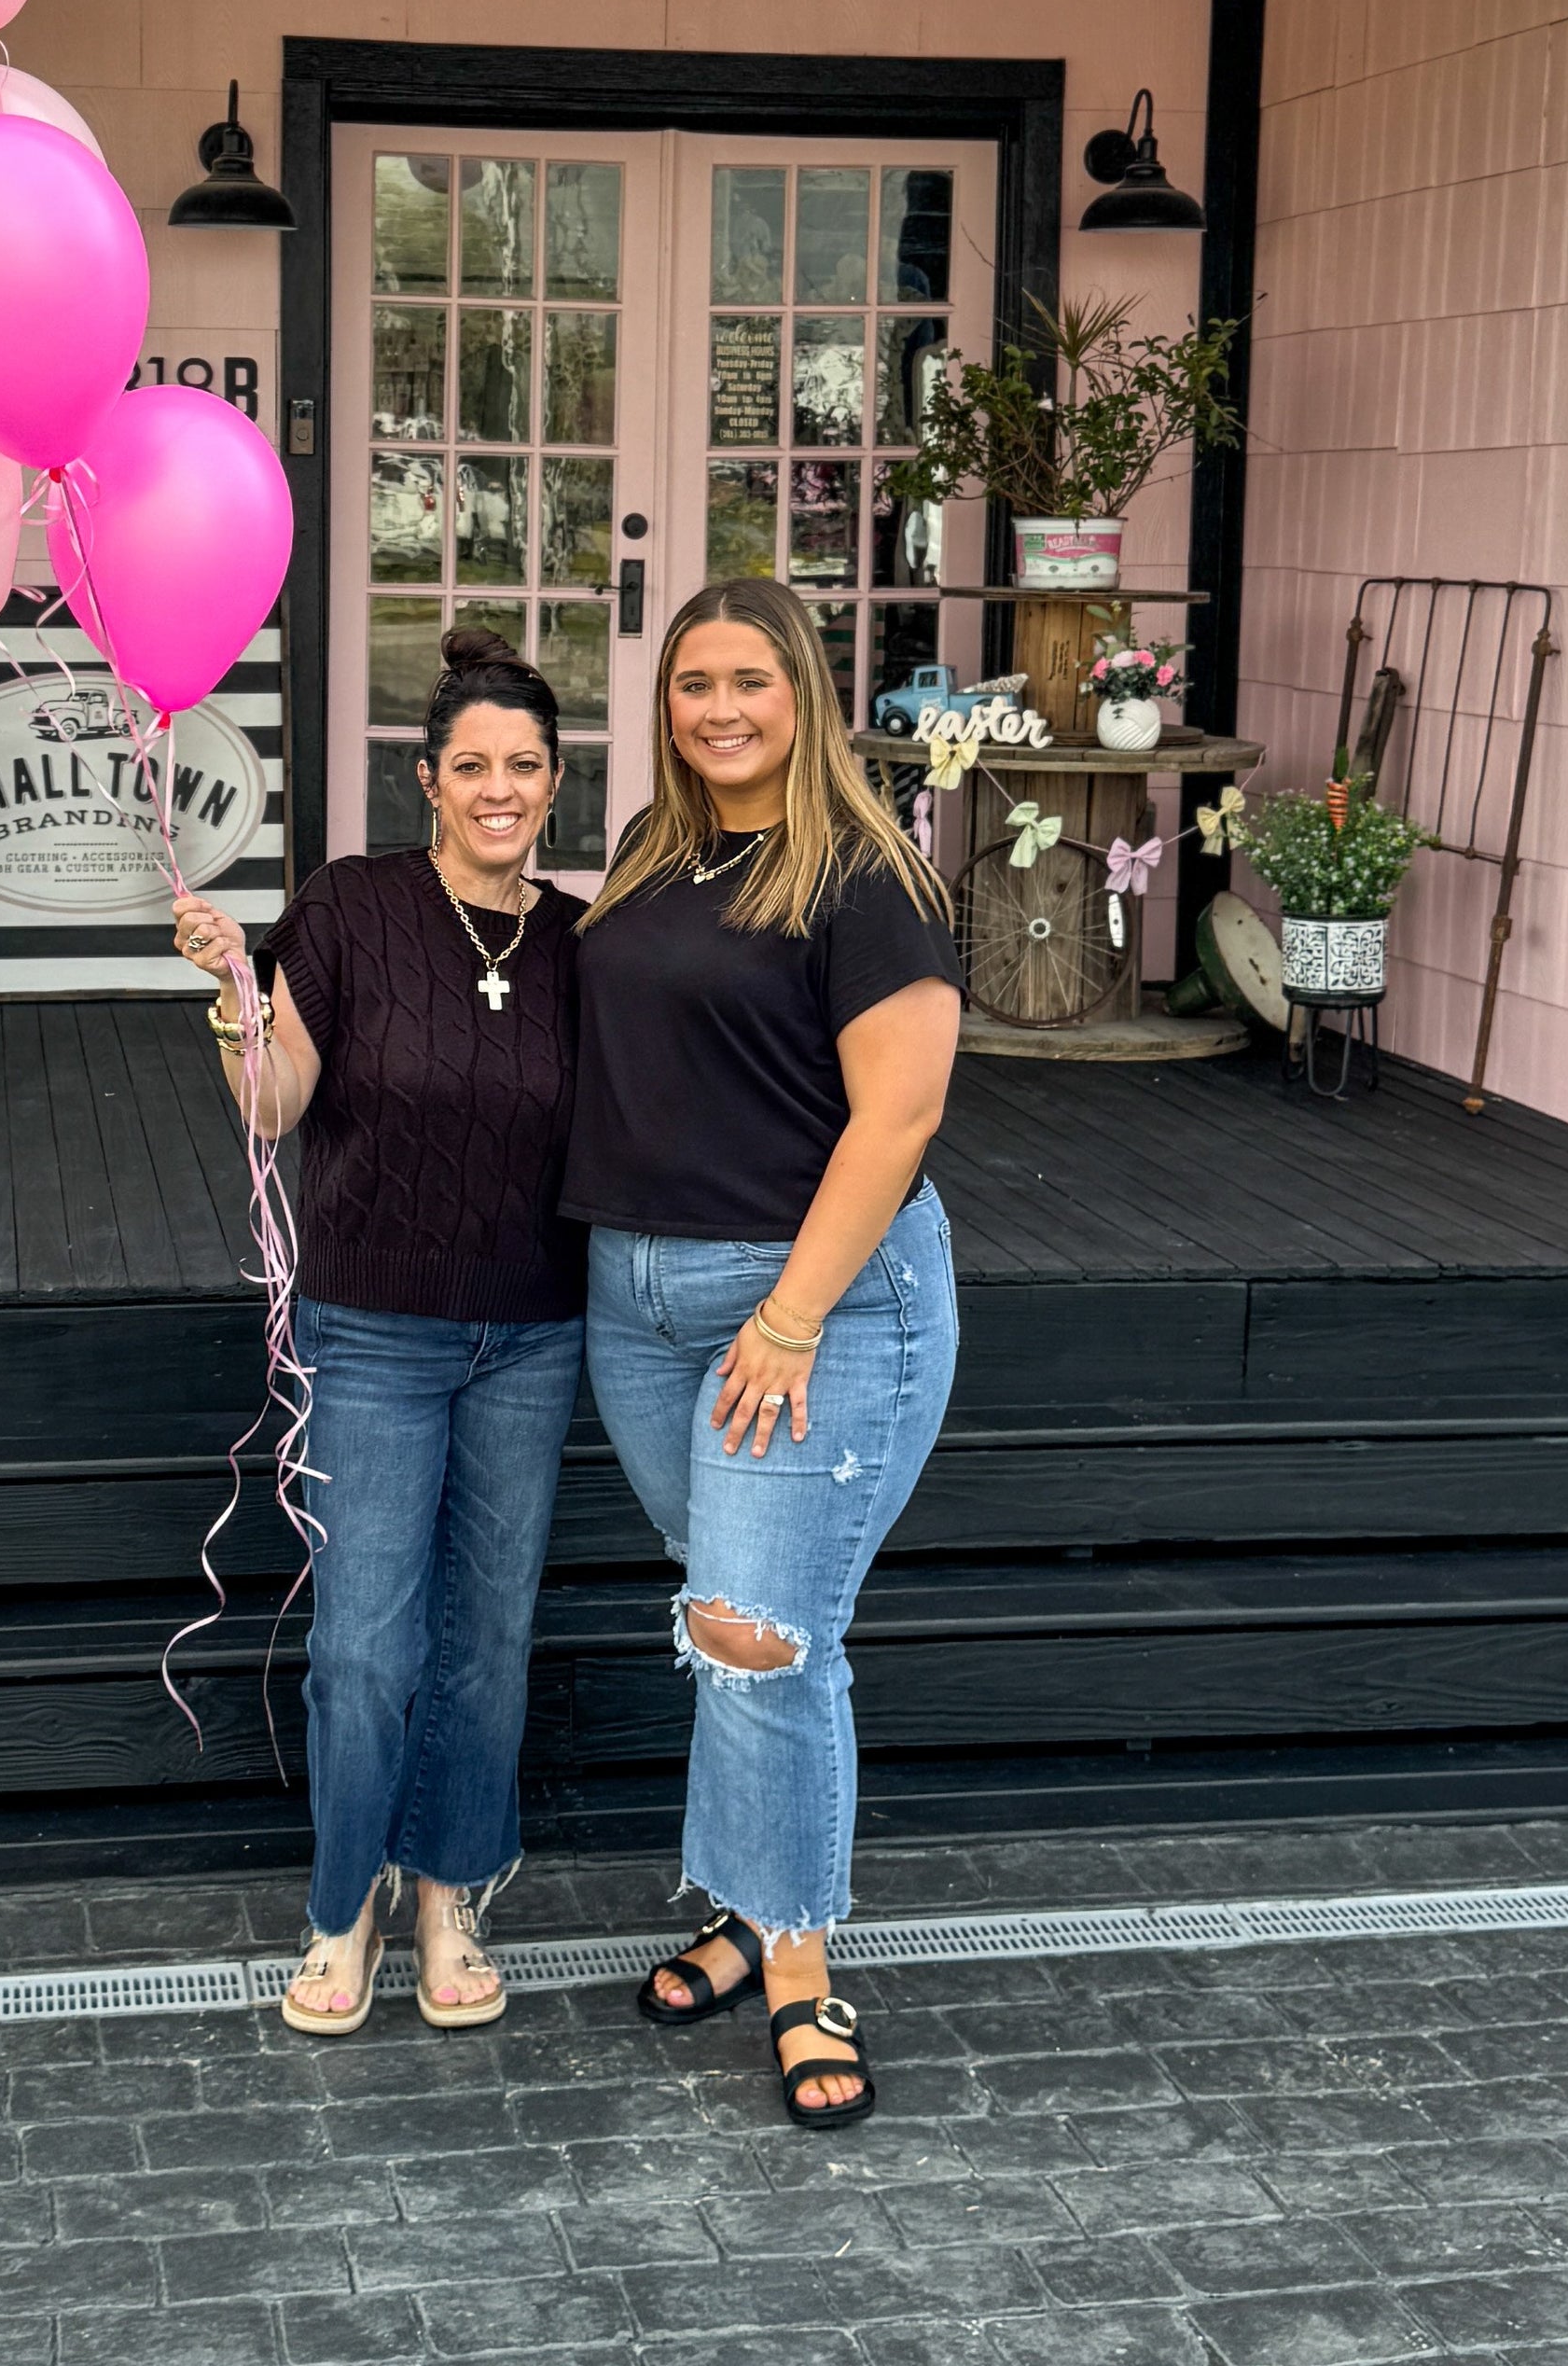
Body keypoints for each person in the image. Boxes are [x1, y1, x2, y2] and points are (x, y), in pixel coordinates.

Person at [563, 573, 964, 2130]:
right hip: (640, 1300)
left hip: (813, 1303)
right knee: (736, 1615)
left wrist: (789, 1316)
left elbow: (902, 1115)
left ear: (804, 692)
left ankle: (799, 1971)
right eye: (692, 682)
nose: (719, 708)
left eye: (752, 680)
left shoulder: (867, 876)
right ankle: (746, 1904)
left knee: (758, 1632)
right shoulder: (658, 852)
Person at [170, 624, 584, 2037]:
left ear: (553, 783)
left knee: (486, 1641)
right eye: (473, 764)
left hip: (533, 1334)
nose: (500, 789)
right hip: (375, 1335)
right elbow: (275, 1104)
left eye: (525, 765)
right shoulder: (349, 908)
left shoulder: (581, 943)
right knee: (363, 1645)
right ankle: (341, 1905)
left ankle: (450, 1896)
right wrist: (234, 998)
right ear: (426, 778)